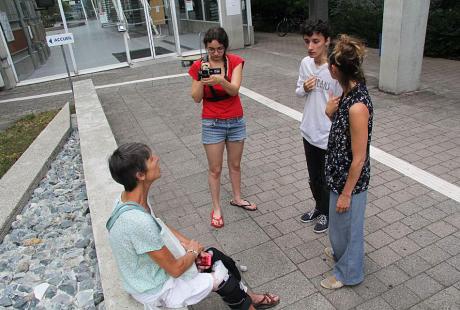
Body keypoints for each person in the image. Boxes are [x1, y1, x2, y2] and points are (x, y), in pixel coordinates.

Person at [106, 142, 280, 309]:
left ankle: (251, 298)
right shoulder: (137, 222)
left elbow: (159, 225)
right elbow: (175, 269)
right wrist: (193, 252)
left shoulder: (130, 198)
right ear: (140, 175)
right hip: (155, 288)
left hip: (152, 271)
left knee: (216, 258)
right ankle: (248, 301)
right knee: (224, 281)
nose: (157, 158)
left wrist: (190, 245)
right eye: (151, 159)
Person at [189, 27, 256, 229]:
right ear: (206, 48)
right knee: (215, 169)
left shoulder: (234, 61)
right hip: (212, 123)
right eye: (211, 49)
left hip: (235, 120)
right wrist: (202, 77)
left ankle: (237, 197)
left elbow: (234, 90)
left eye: (219, 49)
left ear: (225, 47)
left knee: (235, 165)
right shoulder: (198, 65)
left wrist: (220, 79)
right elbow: (196, 98)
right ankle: (216, 208)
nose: (215, 53)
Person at [320, 35, 373, 289]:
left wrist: (347, 194)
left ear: (336, 69)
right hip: (338, 175)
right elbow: (344, 136)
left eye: (331, 64)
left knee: (349, 230)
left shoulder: (357, 105)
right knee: (339, 229)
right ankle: (342, 257)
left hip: (350, 182)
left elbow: (359, 156)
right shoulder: (347, 93)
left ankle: (349, 273)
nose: (329, 68)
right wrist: (330, 114)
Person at [295, 20, 342, 233]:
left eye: (316, 41)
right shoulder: (306, 63)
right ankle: (319, 207)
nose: (310, 47)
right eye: (307, 42)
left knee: (326, 178)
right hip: (308, 130)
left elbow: (342, 102)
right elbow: (298, 91)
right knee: (313, 177)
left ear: (327, 41)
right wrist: (304, 87)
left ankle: (327, 213)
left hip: (327, 134)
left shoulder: (334, 69)